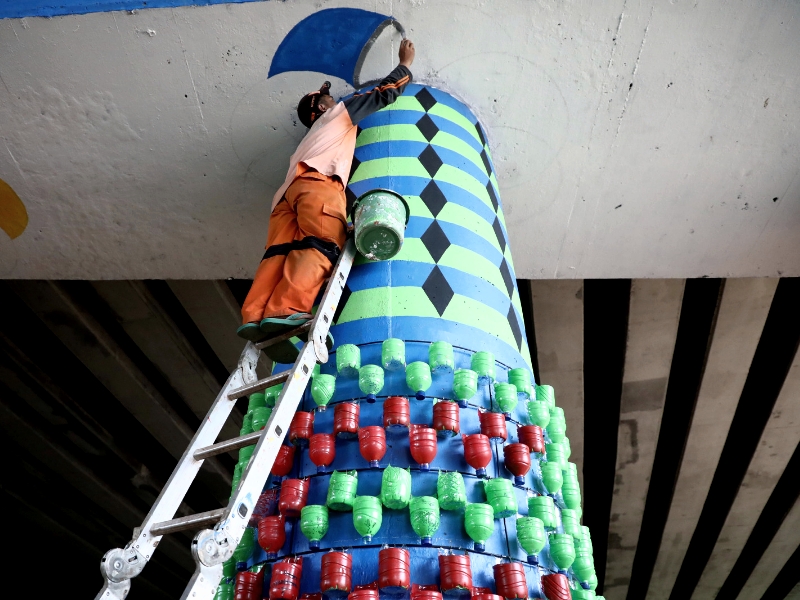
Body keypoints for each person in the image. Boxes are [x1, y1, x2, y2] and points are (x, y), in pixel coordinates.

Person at [238, 39, 416, 362]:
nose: (333, 99)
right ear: (322, 108)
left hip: (287, 196)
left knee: (278, 254)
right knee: (322, 242)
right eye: (327, 97)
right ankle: (287, 309)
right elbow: (383, 94)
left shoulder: (308, 142)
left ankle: (255, 315)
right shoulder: (337, 115)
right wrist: (404, 65)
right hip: (318, 184)